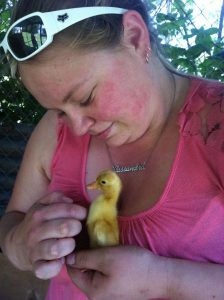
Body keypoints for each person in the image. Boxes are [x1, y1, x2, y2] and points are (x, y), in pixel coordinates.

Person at [0, 0, 224, 299]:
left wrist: (165, 280)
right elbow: (14, 218)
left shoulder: (216, 122)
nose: (76, 128)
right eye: (58, 110)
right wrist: (19, 245)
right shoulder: (54, 130)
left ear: (134, 36)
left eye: (86, 97)